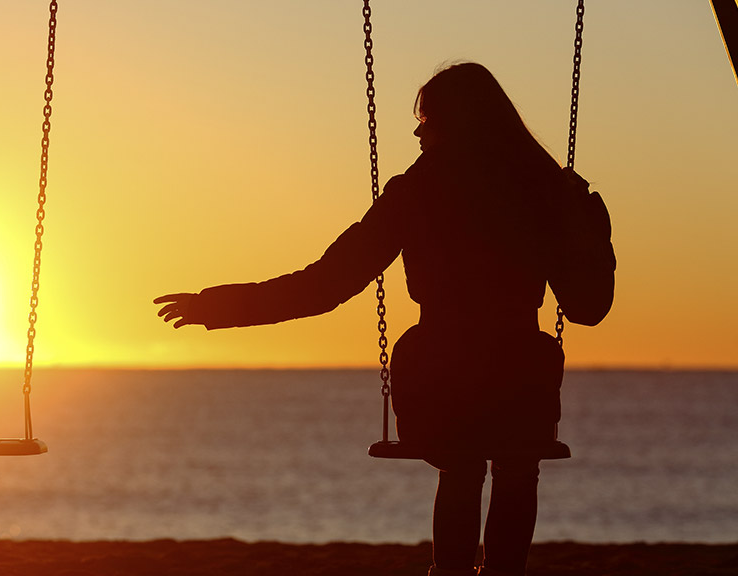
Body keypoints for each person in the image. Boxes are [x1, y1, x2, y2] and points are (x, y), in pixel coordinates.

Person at [154, 62, 613, 576]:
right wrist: (593, 232)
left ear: (454, 122)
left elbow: (324, 285)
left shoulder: (416, 191)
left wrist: (214, 306)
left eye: (426, 118)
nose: (417, 130)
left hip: (442, 381)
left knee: (461, 463)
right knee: (517, 461)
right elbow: (589, 308)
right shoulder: (543, 189)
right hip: (519, 386)